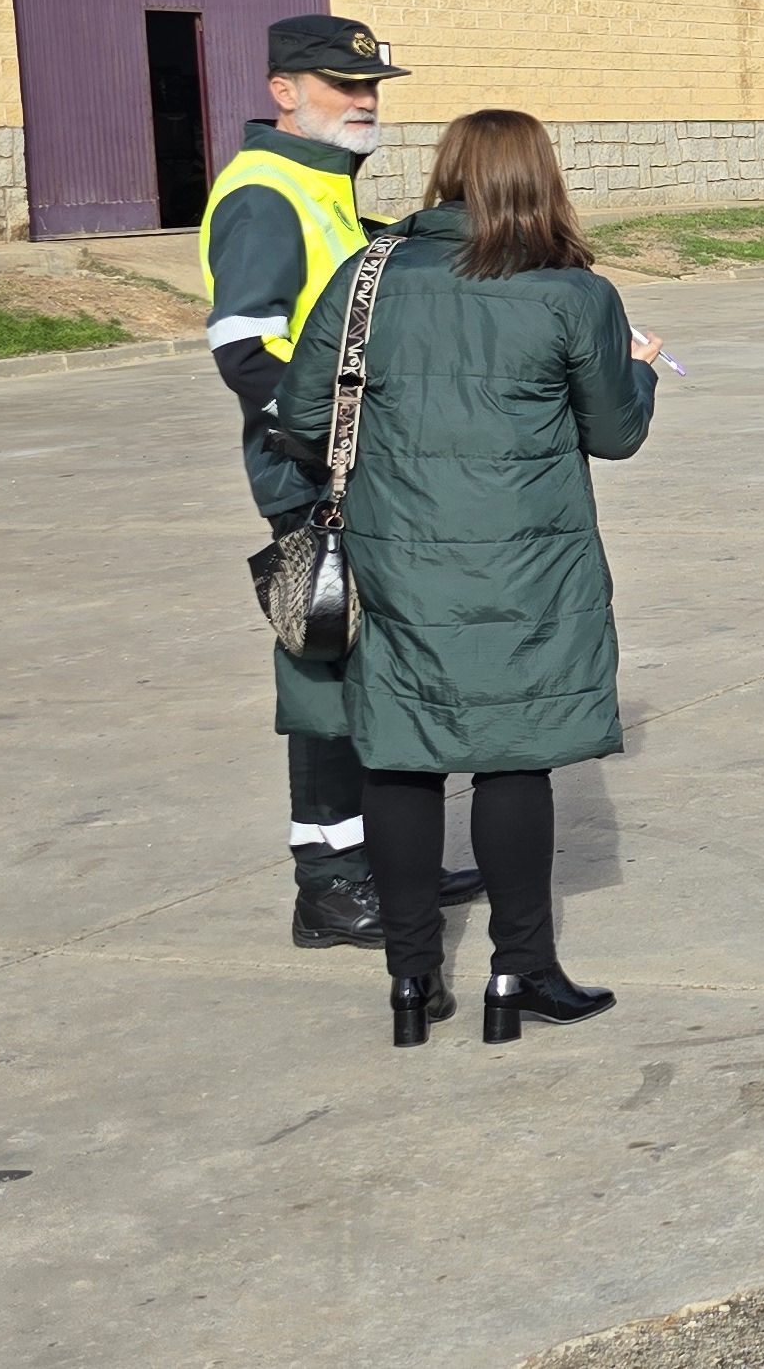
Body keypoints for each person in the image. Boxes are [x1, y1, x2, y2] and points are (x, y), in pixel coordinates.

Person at [279, 108, 658, 1046]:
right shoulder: (573, 294)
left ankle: (411, 980)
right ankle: (519, 971)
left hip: (393, 552)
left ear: (445, 173)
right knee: (512, 757)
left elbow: (299, 413)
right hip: (527, 560)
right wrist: (640, 370)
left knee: (399, 754)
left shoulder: (365, 277)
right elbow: (615, 434)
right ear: (544, 179)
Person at [199, 12, 474, 951]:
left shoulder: (322, 185)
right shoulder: (266, 193)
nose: (363, 103)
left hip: (352, 468)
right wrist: (328, 442)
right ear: (284, 90)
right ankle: (328, 883)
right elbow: (244, 345)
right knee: (324, 667)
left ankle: (382, 860)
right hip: (310, 475)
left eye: (371, 88)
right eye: (341, 86)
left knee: (368, 665)